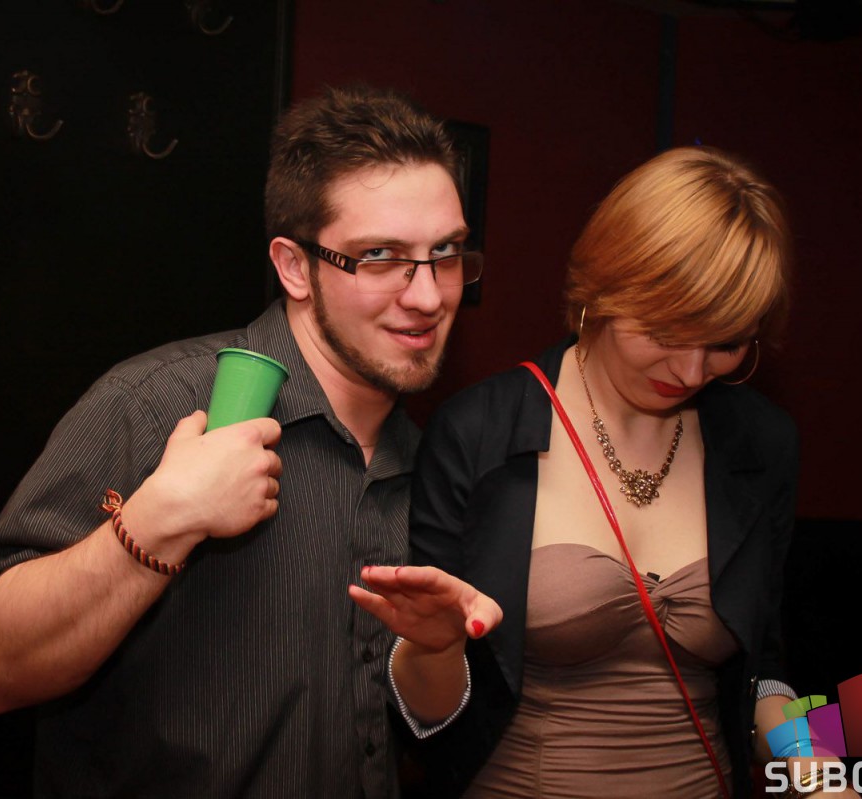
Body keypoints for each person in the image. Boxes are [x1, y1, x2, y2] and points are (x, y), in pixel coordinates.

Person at [0, 84, 491, 799]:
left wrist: (437, 647)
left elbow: (403, 721)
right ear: (294, 267)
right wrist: (160, 519)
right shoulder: (159, 403)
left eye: (445, 253)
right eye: (380, 255)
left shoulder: (426, 458)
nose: (428, 295)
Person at [354, 146, 833, 798]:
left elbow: (765, 671)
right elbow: (426, 721)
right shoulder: (478, 431)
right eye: (668, 330)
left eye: (725, 343)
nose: (692, 371)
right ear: (607, 288)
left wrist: (819, 770)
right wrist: (434, 649)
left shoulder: (761, 443)